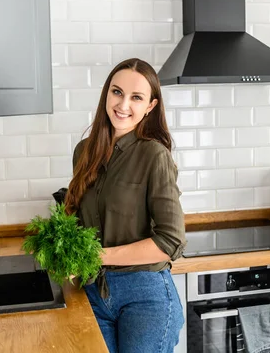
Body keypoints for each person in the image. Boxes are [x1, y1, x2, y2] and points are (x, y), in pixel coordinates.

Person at [64, 58, 186, 353]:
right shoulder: (84, 152)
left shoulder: (154, 156)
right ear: (107, 93)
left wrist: (100, 255)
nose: (123, 104)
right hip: (93, 290)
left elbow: (171, 241)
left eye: (136, 97)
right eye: (117, 92)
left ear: (150, 106)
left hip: (145, 296)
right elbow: (79, 219)